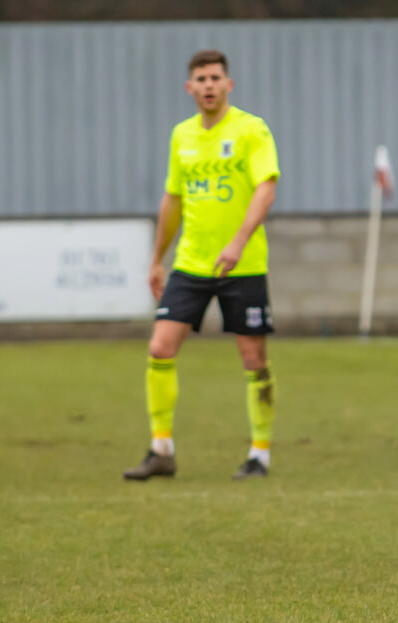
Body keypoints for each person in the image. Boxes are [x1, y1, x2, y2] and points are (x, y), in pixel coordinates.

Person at [123, 50, 281, 481]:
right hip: (191, 265)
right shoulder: (182, 136)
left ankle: (259, 454)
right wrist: (157, 259)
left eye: (215, 78)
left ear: (228, 85)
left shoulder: (251, 130)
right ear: (189, 88)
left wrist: (238, 241)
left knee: (253, 358)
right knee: (159, 348)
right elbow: (173, 198)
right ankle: (161, 450)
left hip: (243, 264)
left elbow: (265, 189)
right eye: (201, 79)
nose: (208, 85)